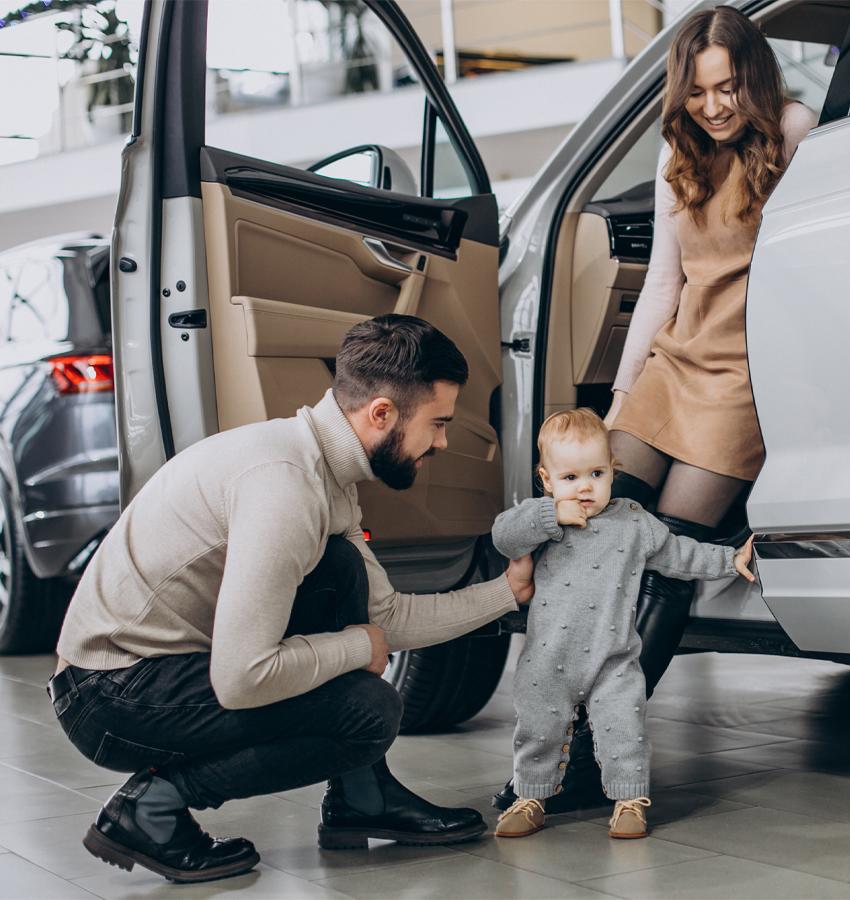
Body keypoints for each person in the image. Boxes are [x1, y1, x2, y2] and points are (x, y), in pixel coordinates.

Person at [49, 314, 535, 884]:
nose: (444, 442)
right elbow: (243, 676)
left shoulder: (321, 470)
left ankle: (363, 795)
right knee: (368, 711)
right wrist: (355, 647)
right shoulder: (285, 488)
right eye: (438, 423)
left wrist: (509, 591)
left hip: (145, 674)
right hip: (110, 695)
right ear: (381, 413)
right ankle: (152, 807)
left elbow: (389, 617)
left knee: (340, 570)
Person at [494, 7, 817, 813]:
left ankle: (597, 756)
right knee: (588, 534)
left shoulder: (795, 131)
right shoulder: (682, 154)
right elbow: (665, 287)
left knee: (665, 565)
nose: (714, 106)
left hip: (743, 376)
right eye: (700, 91)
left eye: (729, 87)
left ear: (755, 76)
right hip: (675, 364)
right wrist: (619, 397)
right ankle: (554, 741)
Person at [489, 410, 754, 839]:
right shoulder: (543, 518)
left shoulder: (633, 521)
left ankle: (629, 801)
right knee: (537, 731)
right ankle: (531, 797)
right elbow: (503, 535)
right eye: (570, 477)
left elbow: (680, 554)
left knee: (624, 730)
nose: (585, 487)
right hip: (547, 658)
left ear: (614, 468)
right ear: (547, 479)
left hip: (614, 658)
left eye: (596, 472)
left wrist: (729, 559)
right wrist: (548, 515)